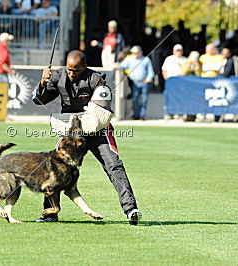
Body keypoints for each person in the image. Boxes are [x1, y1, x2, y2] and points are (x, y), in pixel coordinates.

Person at [32, 50, 142, 225]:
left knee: (114, 165)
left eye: (75, 70)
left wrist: (84, 124)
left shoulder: (96, 79)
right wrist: (42, 83)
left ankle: (131, 209)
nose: (71, 73)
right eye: (69, 69)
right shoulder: (57, 76)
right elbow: (39, 100)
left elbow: (102, 111)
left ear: (84, 67)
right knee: (56, 168)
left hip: (98, 129)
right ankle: (51, 213)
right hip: (72, 132)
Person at [119, 46, 154, 120]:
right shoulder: (129, 59)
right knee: (134, 99)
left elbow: (151, 72)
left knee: (144, 99)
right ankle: (136, 115)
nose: (135, 54)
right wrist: (117, 64)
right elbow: (122, 65)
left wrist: (148, 79)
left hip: (144, 82)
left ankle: (142, 115)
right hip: (134, 83)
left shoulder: (146, 59)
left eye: (137, 53)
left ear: (140, 52)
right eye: (134, 53)